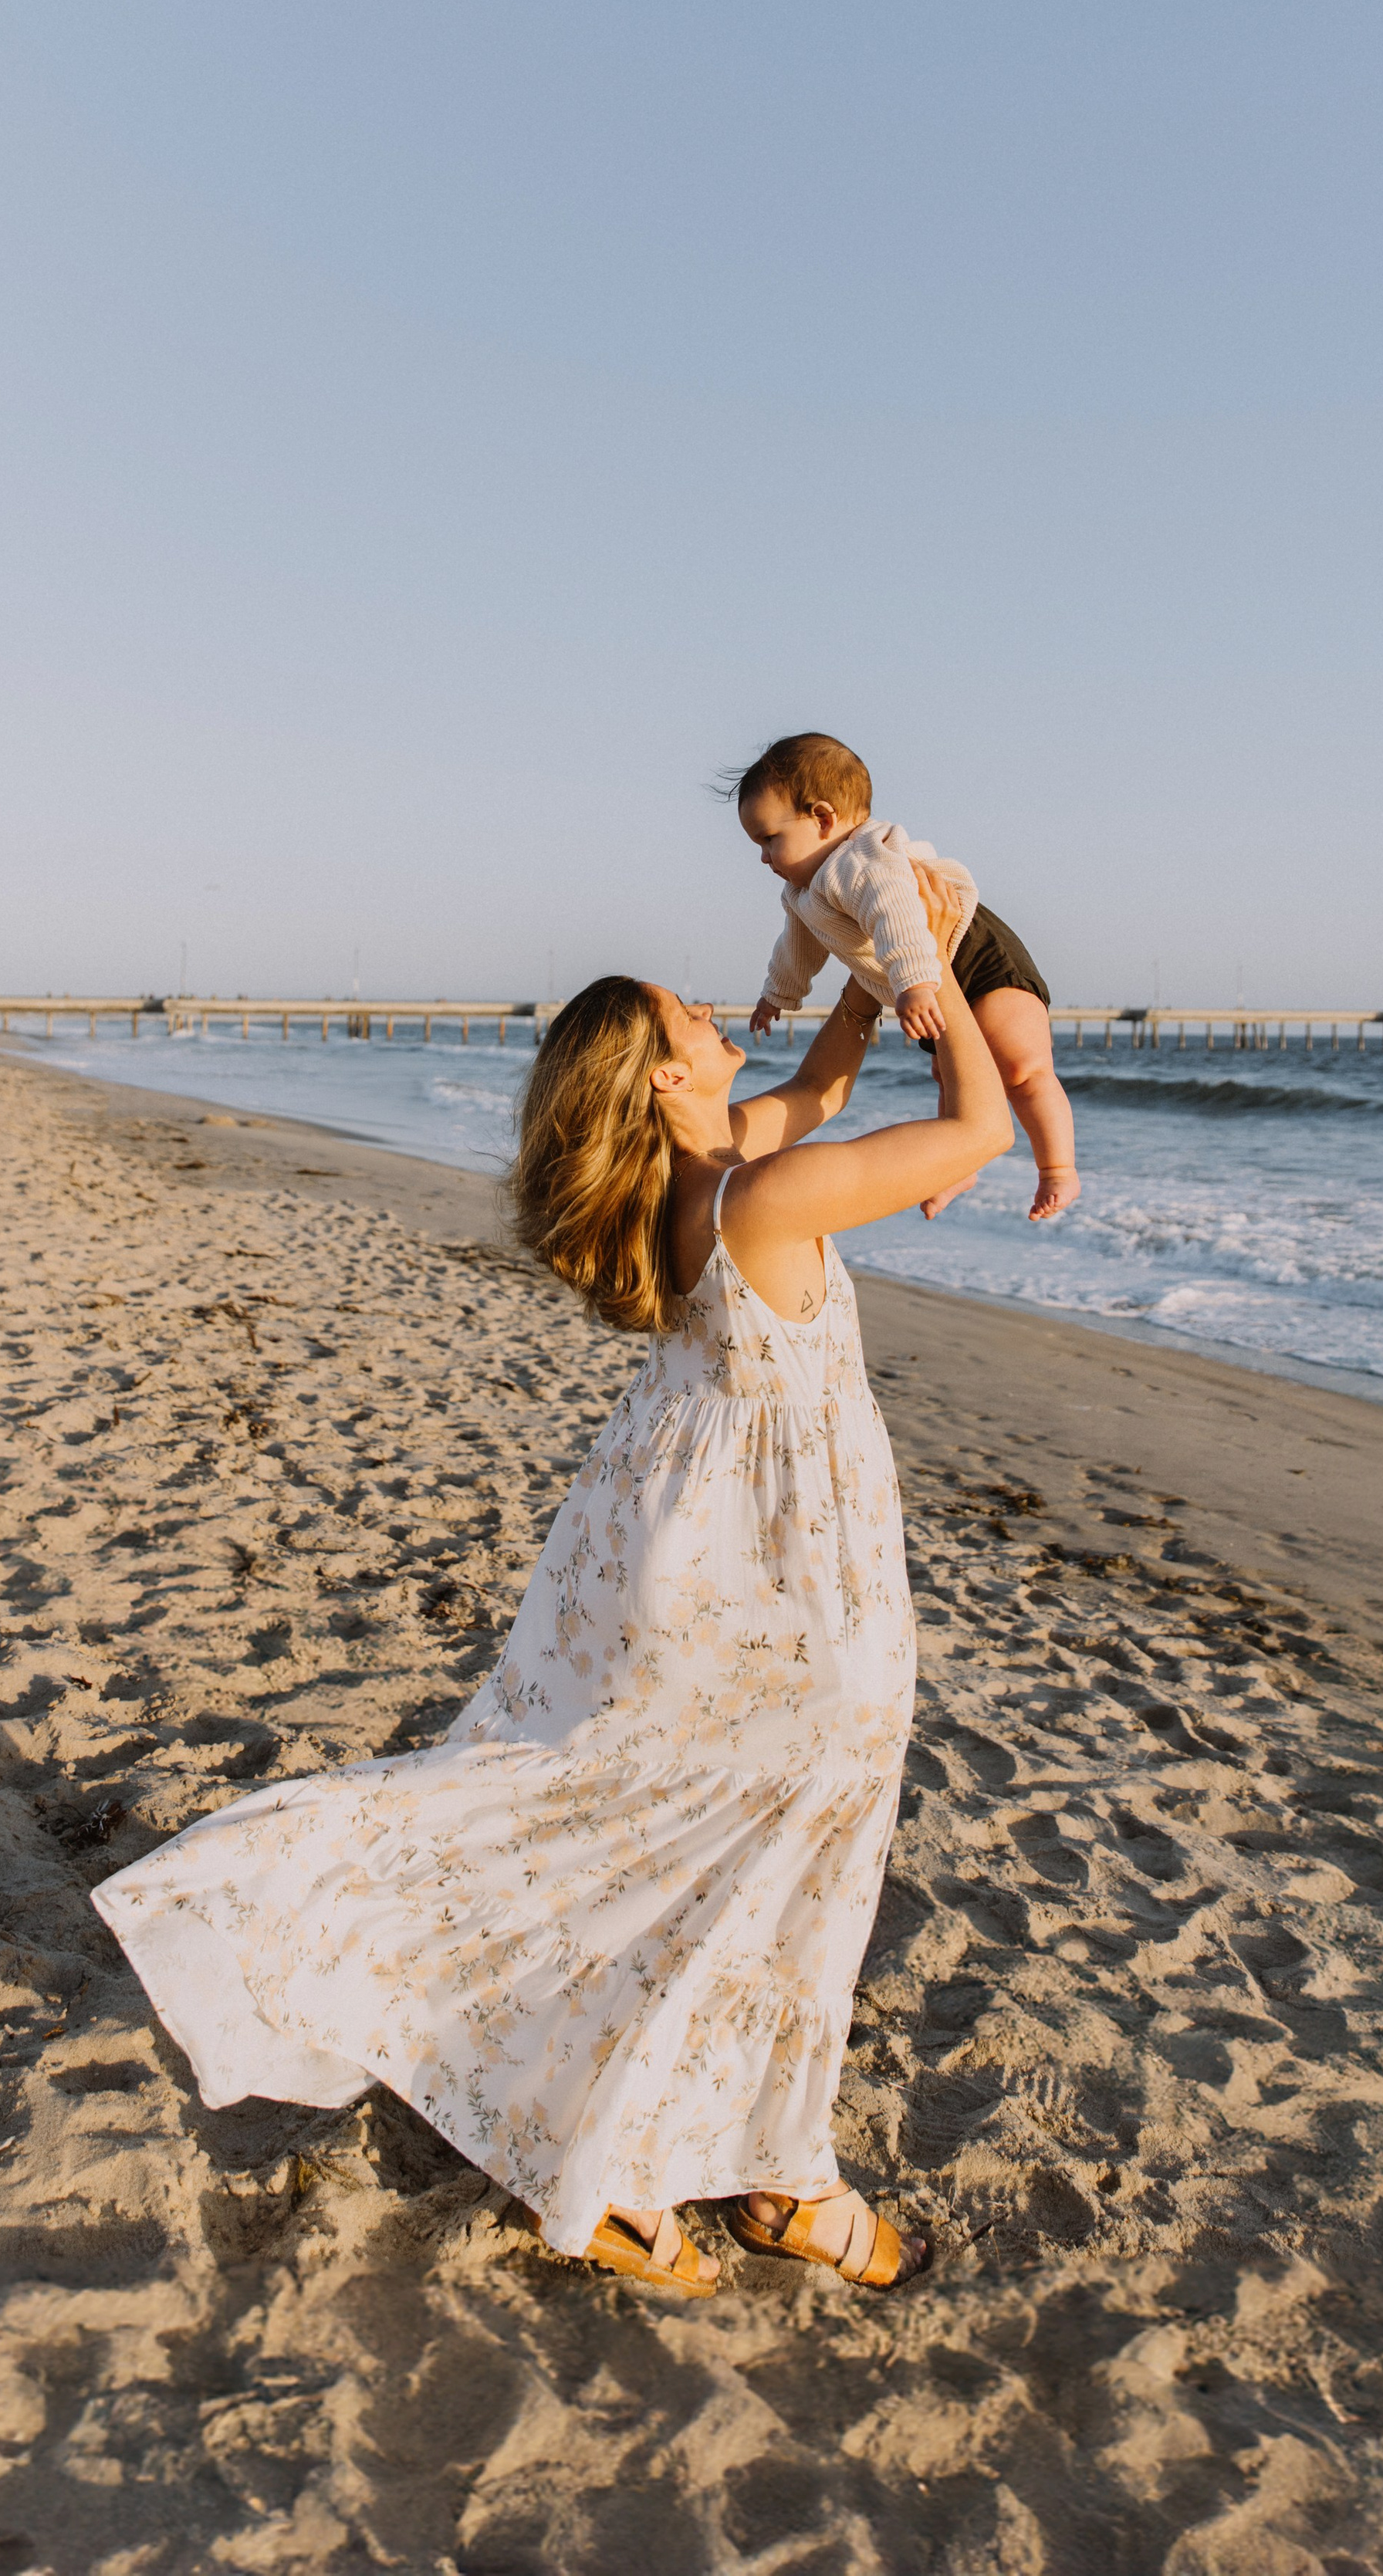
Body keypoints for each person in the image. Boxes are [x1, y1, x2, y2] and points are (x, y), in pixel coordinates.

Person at [90, 878, 1012, 2297]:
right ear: (662, 1073)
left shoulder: (710, 1177)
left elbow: (825, 1085)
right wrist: (942, 975)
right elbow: (979, 1129)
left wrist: (868, 953)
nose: (714, 1017)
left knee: (670, 1814)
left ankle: (739, 2157)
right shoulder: (761, 1194)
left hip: (692, 1542)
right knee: (787, 1838)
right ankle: (766, 2174)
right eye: (689, 1018)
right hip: (784, 1573)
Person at [732, 729, 1080, 1223]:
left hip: (974, 955)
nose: (764, 857)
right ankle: (956, 1163)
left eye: (770, 839)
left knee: (1023, 1068)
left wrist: (916, 983)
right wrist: (778, 994)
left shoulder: (862, 860)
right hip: (918, 971)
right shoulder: (803, 893)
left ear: (824, 819)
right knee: (951, 1073)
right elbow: (797, 948)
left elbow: (896, 915)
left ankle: (1058, 1168)